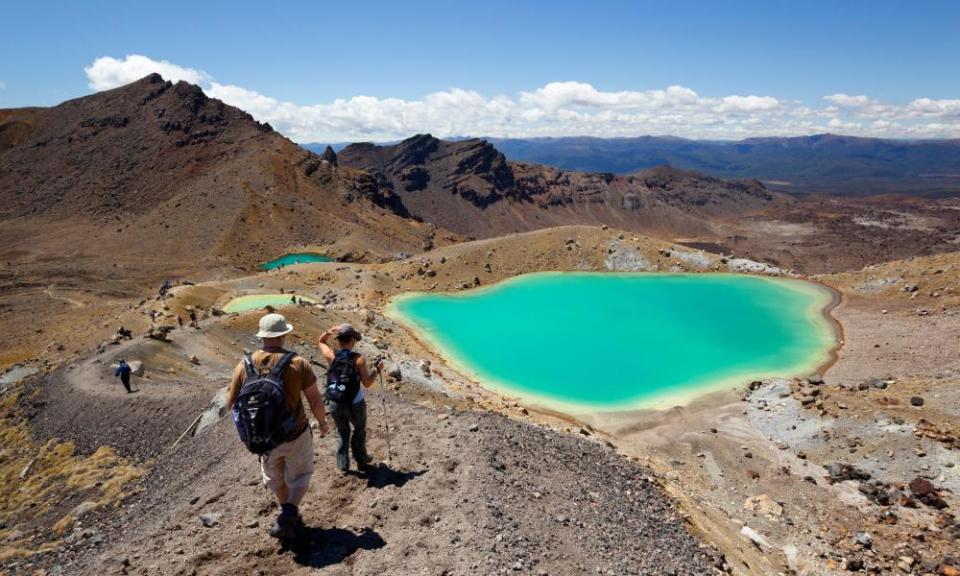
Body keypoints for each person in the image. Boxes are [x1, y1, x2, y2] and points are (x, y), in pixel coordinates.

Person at [226, 313, 329, 540]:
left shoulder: (243, 365)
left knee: (276, 480)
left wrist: (249, 431)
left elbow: (231, 404)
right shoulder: (298, 363)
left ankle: (289, 515)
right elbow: (314, 400)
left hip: (264, 439)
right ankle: (288, 515)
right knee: (301, 476)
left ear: (262, 336)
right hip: (296, 433)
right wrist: (322, 423)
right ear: (284, 335)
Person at [317, 324, 383, 472]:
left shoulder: (332, 356)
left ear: (339, 340)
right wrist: (377, 370)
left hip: (334, 402)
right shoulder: (359, 359)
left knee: (342, 432)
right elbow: (367, 383)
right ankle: (362, 461)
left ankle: (343, 465)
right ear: (352, 340)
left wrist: (328, 331)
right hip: (355, 404)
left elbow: (321, 341)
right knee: (359, 430)